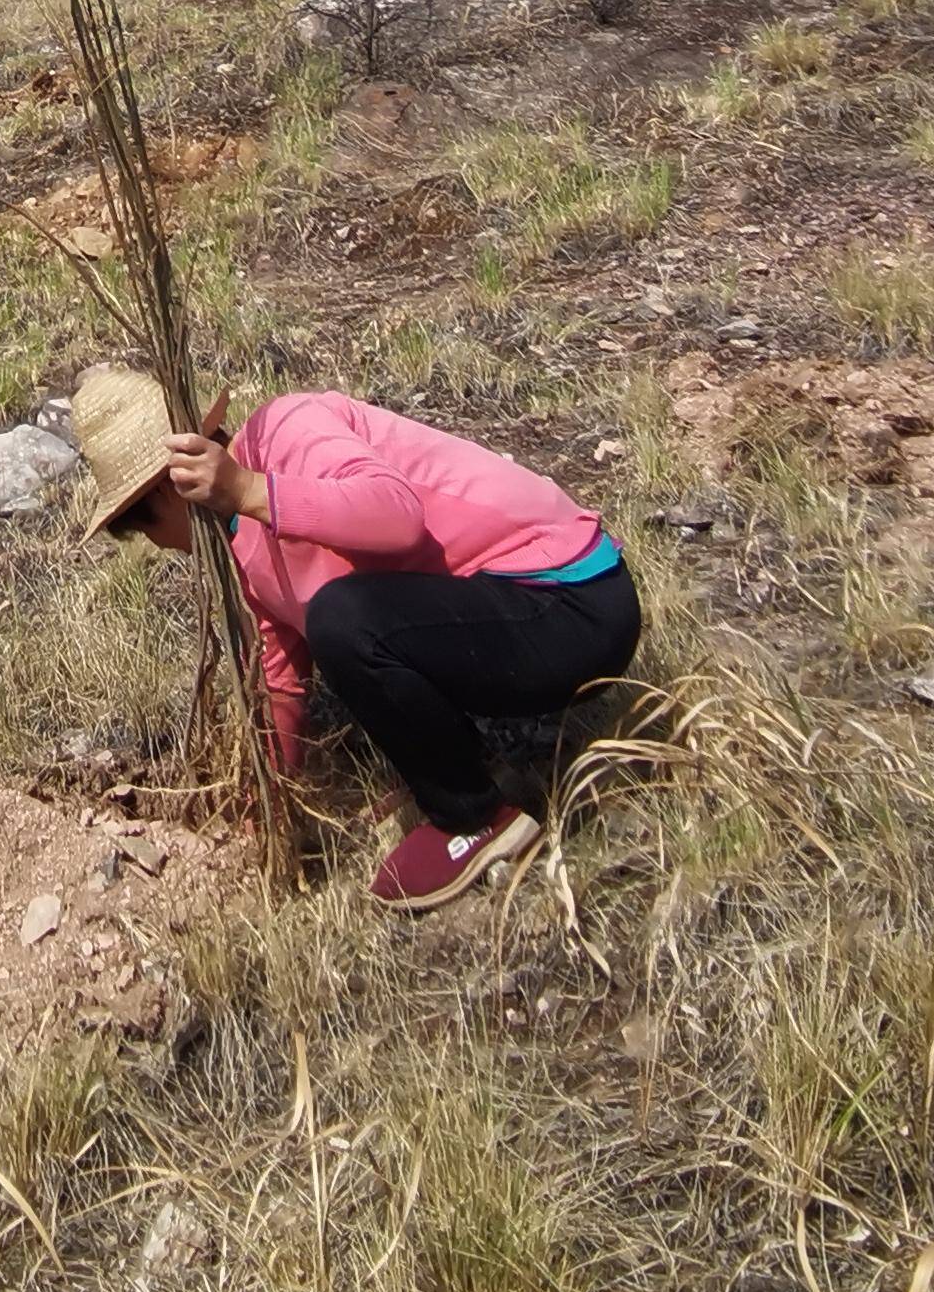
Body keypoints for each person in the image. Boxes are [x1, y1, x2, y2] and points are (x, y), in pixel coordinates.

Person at [68, 366, 638, 911]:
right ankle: (478, 763)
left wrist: (246, 489)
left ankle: (473, 819)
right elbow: (279, 674)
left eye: (148, 531)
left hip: (574, 604)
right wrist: (271, 805)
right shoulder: (242, 547)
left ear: (169, 492)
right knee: (345, 620)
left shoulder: (284, 432)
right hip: (511, 634)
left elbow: (397, 516)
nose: (165, 549)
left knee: (343, 619)